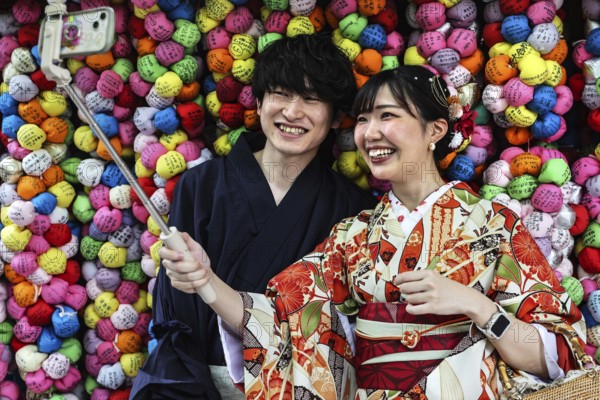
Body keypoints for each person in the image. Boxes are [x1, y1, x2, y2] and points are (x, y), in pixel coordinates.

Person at [159, 66, 586, 399]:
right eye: (363, 120)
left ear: (435, 130)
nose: (369, 133)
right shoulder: (352, 235)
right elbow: (280, 321)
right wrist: (205, 280)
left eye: (388, 116)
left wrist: (475, 305)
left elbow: (558, 354)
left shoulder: (495, 225)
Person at [130, 34, 377, 399]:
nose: (292, 112)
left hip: (298, 385)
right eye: (280, 94)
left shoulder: (352, 207)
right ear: (259, 103)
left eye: (311, 99)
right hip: (200, 384)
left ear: (336, 117)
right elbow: (176, 315)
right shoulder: (201, 185)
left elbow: (342, 322)